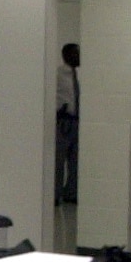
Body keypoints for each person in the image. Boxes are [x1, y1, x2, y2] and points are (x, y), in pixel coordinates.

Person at [54, 43, 80, 205]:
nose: (80, 57)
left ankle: (71, 192)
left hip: (76, 121)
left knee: (75, 160)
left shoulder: (76, 75)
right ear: (67, 55)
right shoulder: (57, 75)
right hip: (63, 121)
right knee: (58, 160)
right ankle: (55, 194)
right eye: (77, 53)